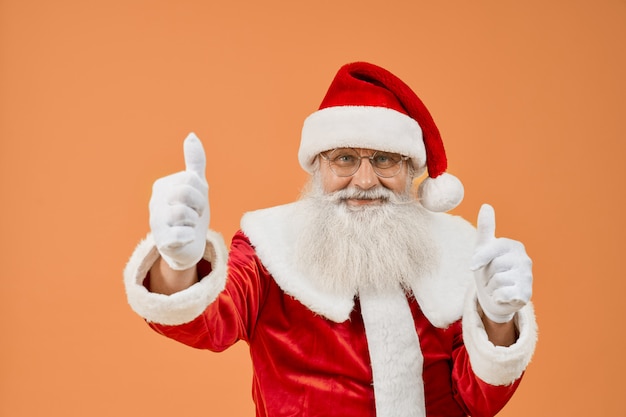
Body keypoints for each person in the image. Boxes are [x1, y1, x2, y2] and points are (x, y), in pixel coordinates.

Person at [124, 62, 537, 417]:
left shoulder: (456, 249)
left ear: (410, 169)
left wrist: (497, 321)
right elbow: (211, 321)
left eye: (384, 159)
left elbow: (477, 401)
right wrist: (177, 263)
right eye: (344, 158)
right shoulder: (269, 245)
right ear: (318, 167)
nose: (364, 180)